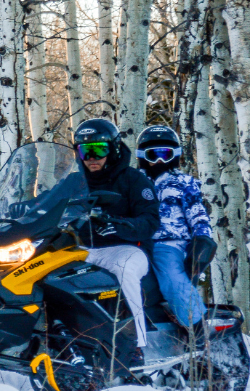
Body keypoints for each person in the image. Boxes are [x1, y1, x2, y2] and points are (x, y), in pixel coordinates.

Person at [74, 118, 161, 352]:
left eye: (98, 150)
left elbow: (150, 220)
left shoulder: (134, 180)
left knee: (124, 269)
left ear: (112, 149)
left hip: (128, 248)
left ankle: (138, 346)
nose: (92, 158)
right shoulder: (72, 182)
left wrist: (119, 225)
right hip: (83, 249)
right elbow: (47, 205)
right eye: (85, 151)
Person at [136, 125, 217, 345]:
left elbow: (198, 214)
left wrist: (203, 239)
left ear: (176, 155)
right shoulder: (134, 181)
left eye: (166, 154)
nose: (160, 161)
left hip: (169, 243)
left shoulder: (183, 183)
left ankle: (198, 329)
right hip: (135, 242)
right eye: (154, 155)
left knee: (171, 276)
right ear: (142, 156)